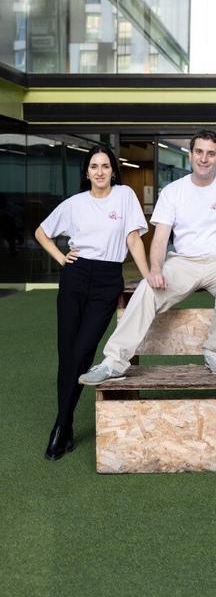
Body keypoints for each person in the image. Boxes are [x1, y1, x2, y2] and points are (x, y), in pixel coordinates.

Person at [79, 129, 216, 384]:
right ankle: (113, 362)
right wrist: (155, 269)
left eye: (211, 154)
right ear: (190, 155)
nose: (204, 158)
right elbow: (161, 237)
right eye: (199, 152)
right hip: (183, 262)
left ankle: (213, 351)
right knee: (147, 289)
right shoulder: (173, 191)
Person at [35, 145, 149, 461]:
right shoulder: (74, 204)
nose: (100, 171)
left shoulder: (125, 196)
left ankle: (61, 425)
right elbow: (42, 232)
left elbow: (133, 239)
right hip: (75, 275)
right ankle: (64, 425)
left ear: (113, 170)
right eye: (94, 166)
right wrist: (61, 258)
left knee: (84, 350)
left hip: (107, 279)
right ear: (86, 172)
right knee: (67, 353)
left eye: (105, 166)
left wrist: (149, 277)